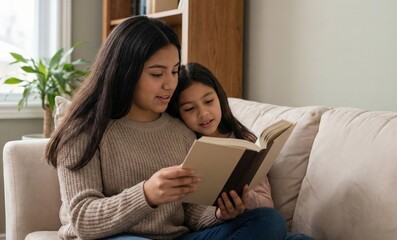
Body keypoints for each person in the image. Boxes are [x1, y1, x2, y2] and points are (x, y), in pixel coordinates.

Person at [45, 15, 288, 240]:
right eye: (157, 74)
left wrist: (219, 215)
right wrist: (146, 194)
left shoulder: (179, 131)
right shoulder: (82, 129)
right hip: (115, 238)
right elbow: (82, 218)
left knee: (269, 221)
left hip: (179, 237)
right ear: (125, 72)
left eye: (173, 71)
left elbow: (190, 212)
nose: (170, 84)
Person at [167, 62, 313, 240]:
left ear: (219, 98)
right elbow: (184, 214)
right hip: (204, 232)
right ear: (178, 112)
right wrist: (218, 215)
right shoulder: (180, 142)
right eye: (190, 108)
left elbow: (266, 204)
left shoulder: (243, 140)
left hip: (243, 225)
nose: (203, 113)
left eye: (208, 101)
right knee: (272, 222)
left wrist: (243, 198)